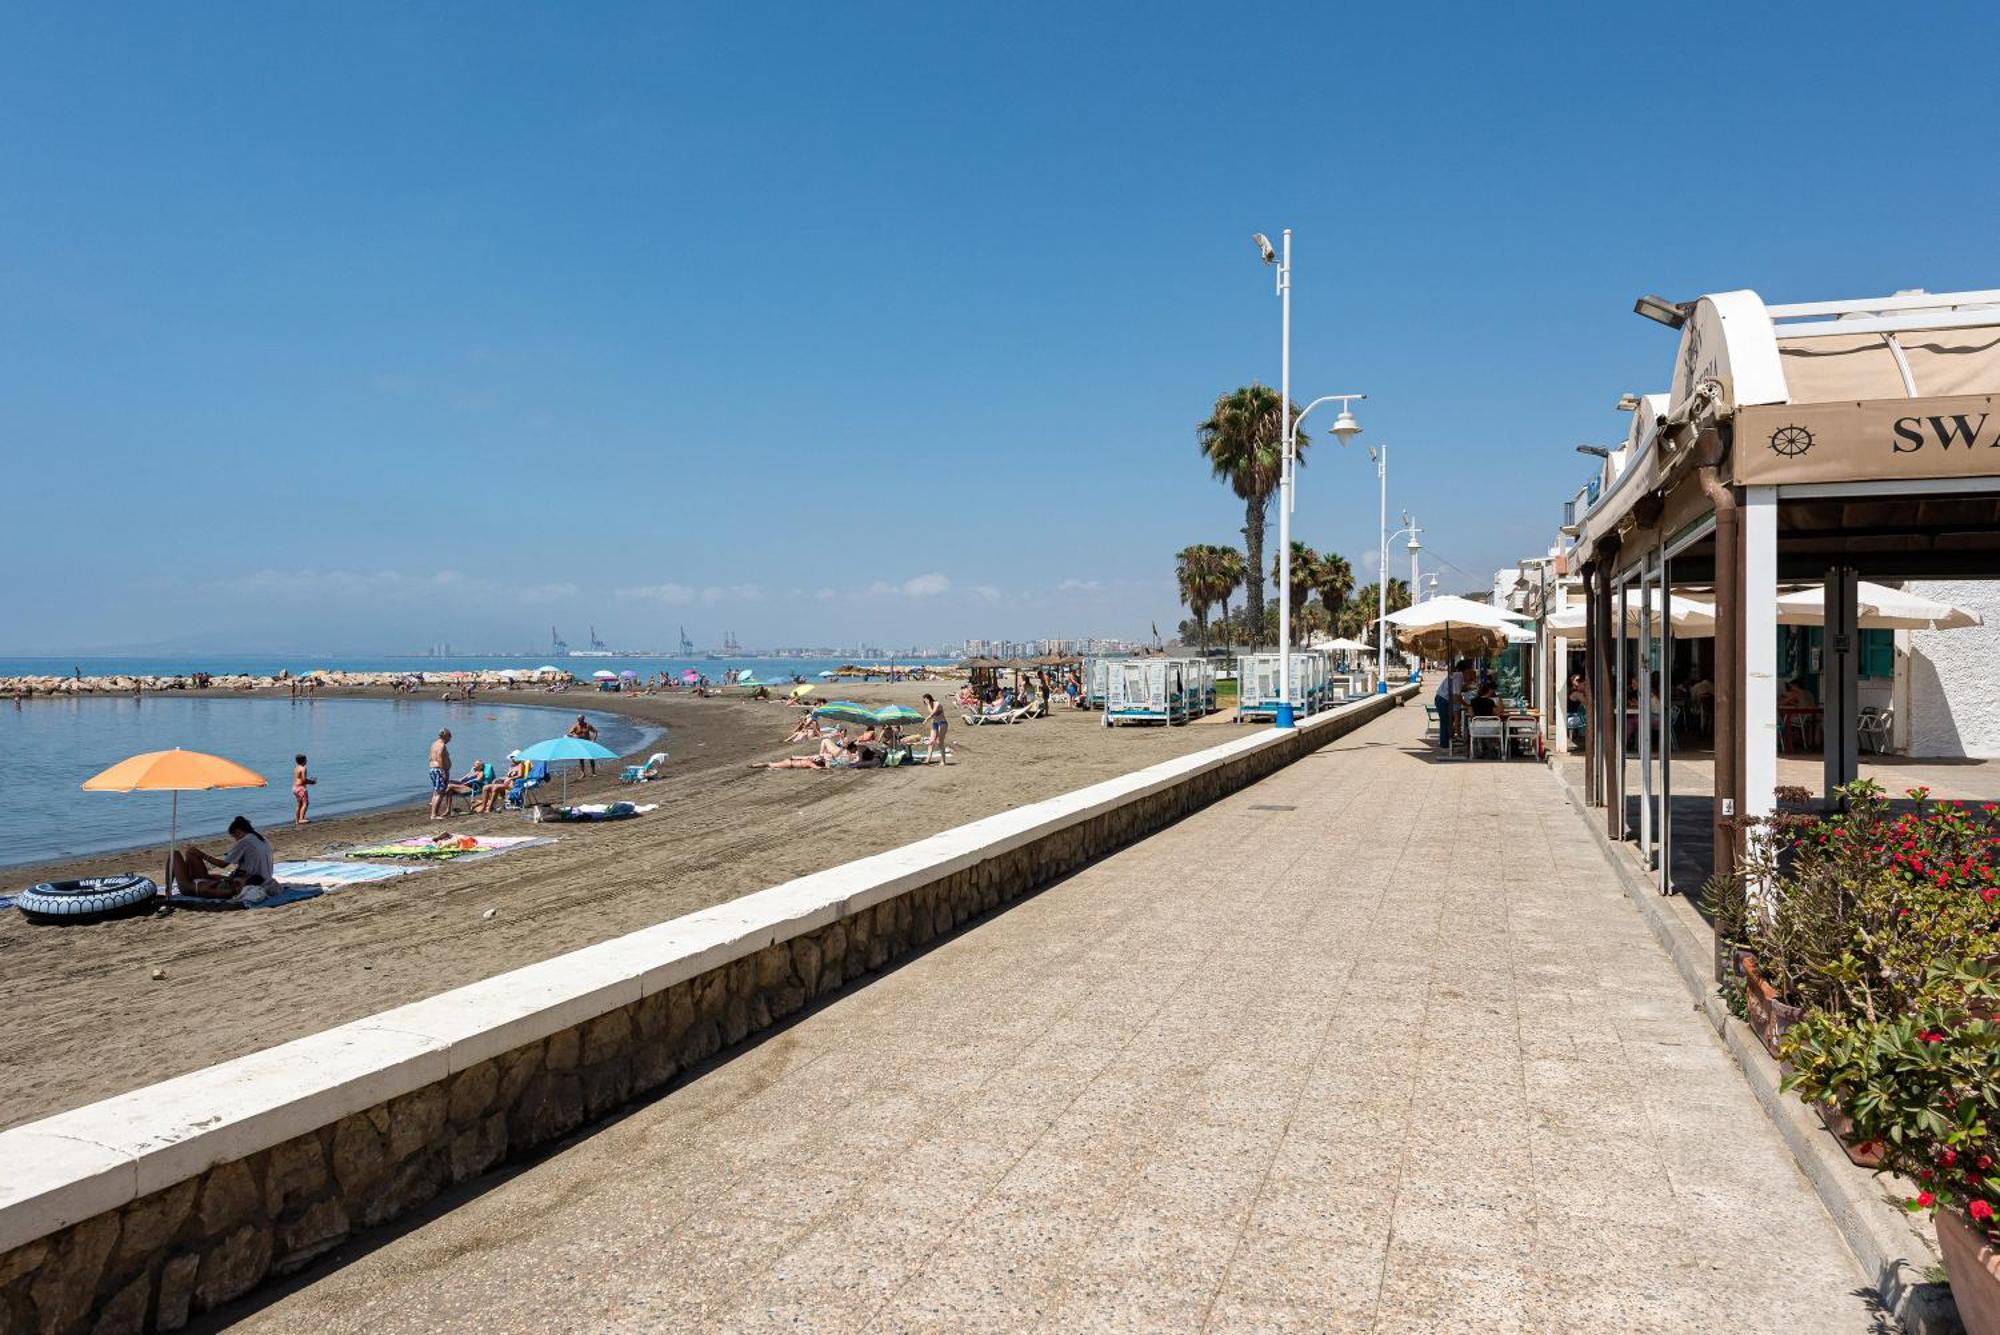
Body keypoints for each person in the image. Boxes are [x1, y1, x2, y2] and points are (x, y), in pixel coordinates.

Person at [170, 817, 278, 901]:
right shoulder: (261, 838)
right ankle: (190, 876)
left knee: (188, 856)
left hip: (252, 878)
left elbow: (223, 864)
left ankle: (174, 885)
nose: (236, 840)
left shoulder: (245, 841)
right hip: (262, 877)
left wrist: (202, 855)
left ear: (238, 831)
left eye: (235, 837)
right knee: (205, 873)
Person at [1433, 658, 1466, 750]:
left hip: (1442, 698)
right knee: (1446, 722)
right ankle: (1445, 744)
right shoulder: (1459, 676)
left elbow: (1455, 692)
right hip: (1443, 700)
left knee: (1448, 721)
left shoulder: (1456, 675)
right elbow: (1456, 696)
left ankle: (1447, 741)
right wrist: (1467, 705)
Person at [428, 729, 453, 820]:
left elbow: (430, 757)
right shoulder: (441, 745)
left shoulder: (434, 744)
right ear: (445, 736)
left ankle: (434, 813)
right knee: (440, 793)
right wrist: (444, 772)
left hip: (433, 769)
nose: (450, 739)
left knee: (436, 792)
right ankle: (434, 815)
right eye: (449, 737)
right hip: (439, 770)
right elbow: (439, 757)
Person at [921, 692, 948, 765]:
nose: (925, 702)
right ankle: (928, 760)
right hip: (935, 723)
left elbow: (933, 712)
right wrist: (928, 705)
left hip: (942, 723)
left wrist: (926, 719)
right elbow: (932, 715)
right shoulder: (929, 705)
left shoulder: (937, 703)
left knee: (939, 741)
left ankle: (943, 761)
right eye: (924, 701)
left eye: (926, 700)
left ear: (929, 698)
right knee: (931, 741)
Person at [292, 754, 316, 826]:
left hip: (295, 788)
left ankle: (297, 820)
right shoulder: (303, 768)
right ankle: (301, 819)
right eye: (306, 759)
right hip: (301, 788)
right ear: (304, 761)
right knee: (305, 803)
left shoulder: (296, 768)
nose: (307, 761)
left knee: (299, 804)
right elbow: (303, 780)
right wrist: (312, 782)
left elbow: (298, 779)